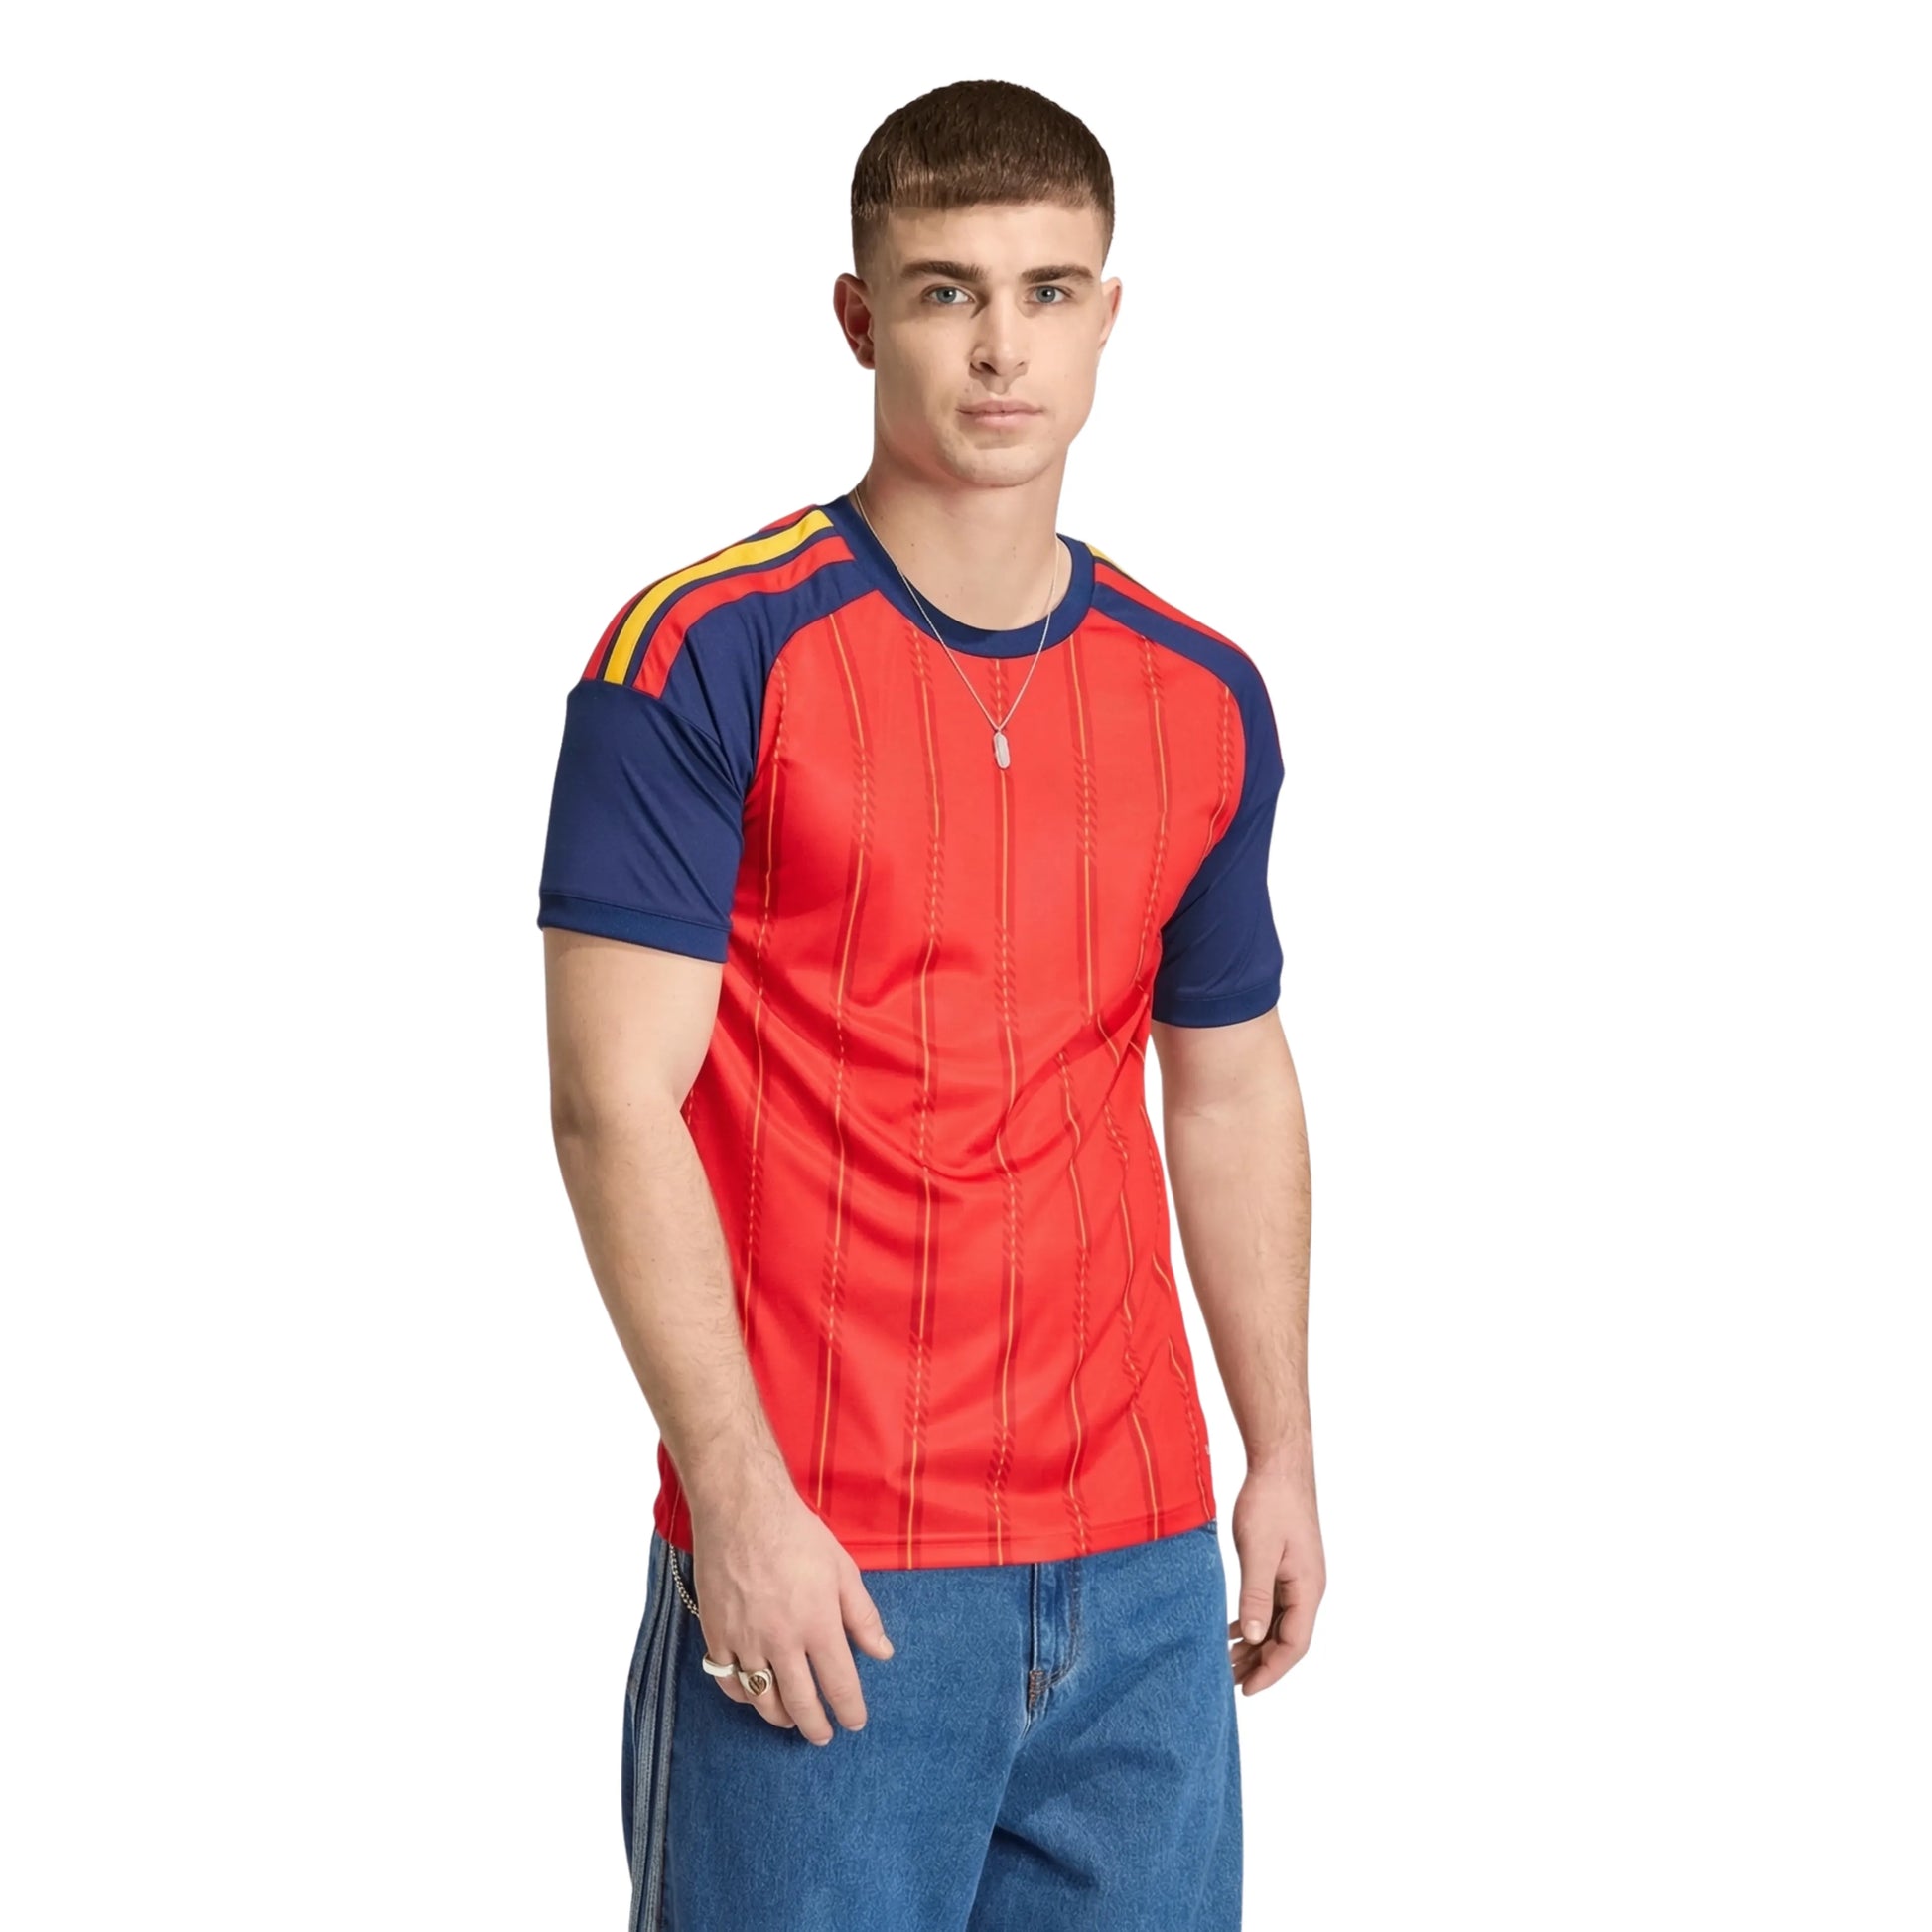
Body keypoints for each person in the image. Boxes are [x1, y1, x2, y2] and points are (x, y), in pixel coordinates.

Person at [537, 76, 1321, 1932]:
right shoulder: (699, 654)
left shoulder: (1200, 690)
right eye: (947, 288)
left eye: (1047, 292)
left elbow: (1224, 1085)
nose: (999, 347)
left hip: (1140, 1577)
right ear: (858, 314)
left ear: (1107, 316)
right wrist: (735, 1497)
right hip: (827, 1566)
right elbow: (610, 1103)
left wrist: (1278, 1447)